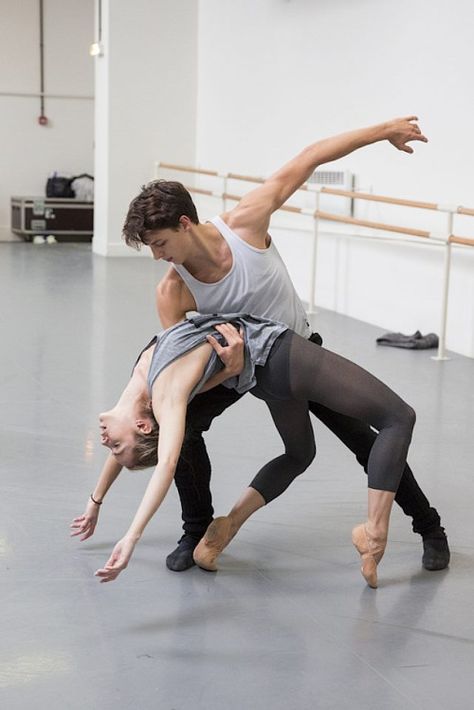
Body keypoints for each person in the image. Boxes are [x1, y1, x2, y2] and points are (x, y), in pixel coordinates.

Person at [72, 115, 449, 573]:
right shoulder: (173, 292)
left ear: (186, 223)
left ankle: (429, 528)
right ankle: (198, 528)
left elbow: (310, 157)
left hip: (301, 352)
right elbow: (180, 381)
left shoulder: (247, 222)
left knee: (365, 441)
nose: (157, 256)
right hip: (243, 369)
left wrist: (383, 131)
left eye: (160, 243)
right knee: (184, 428)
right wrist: (229, 371)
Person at [72, 312, 416, 588]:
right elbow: (166, 461)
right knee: (398, 417)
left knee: (299, 453)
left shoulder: (140, 390)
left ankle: (228, 525)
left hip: (264, 378)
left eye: (112, 447)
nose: (105, 442)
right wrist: (131, 537)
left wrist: (95, 500)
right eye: (114, 444)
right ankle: (373, 534)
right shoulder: (163, 396)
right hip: (278, 357)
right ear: (144, 425)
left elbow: (127, 444)